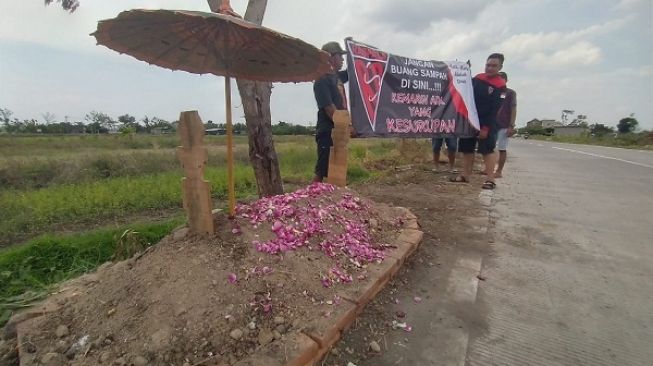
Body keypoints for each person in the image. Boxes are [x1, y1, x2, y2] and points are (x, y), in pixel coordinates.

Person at [451, 53, 506, 190]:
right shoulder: (478, 78)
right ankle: (465, 175)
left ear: (500, 67)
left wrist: (486, 127)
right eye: (488, 65)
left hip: (488, 121)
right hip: (471, 120)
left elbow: (495, 109)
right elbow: (465, 89)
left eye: (494, 66)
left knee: (487, 150)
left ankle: (490, 179)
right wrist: (464, 72)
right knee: (466, 148)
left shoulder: (501, 86)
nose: (490, 68)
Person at [312, 41, 348, 182]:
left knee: (337, 168)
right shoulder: (321, 81)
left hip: (338, 129)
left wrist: (354, 51)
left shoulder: (337, 77)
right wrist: (345, 125)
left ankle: (336, 198)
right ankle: (311, 197)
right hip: (327, 131)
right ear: (331, 57)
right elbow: (329, 109)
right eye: (340, 56)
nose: (343, 59)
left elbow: (355, 71)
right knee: (321, 170)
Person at [494, 71, 517, 178]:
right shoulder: (493, 91)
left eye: (502, 79)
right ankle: (488, 168)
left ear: (506, 80)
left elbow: (513, 109)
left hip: (504, 125)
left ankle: (499, 171)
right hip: (491, 124)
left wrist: (511, 126)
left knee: (502, 149)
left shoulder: (511, 93)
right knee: (489, 148)